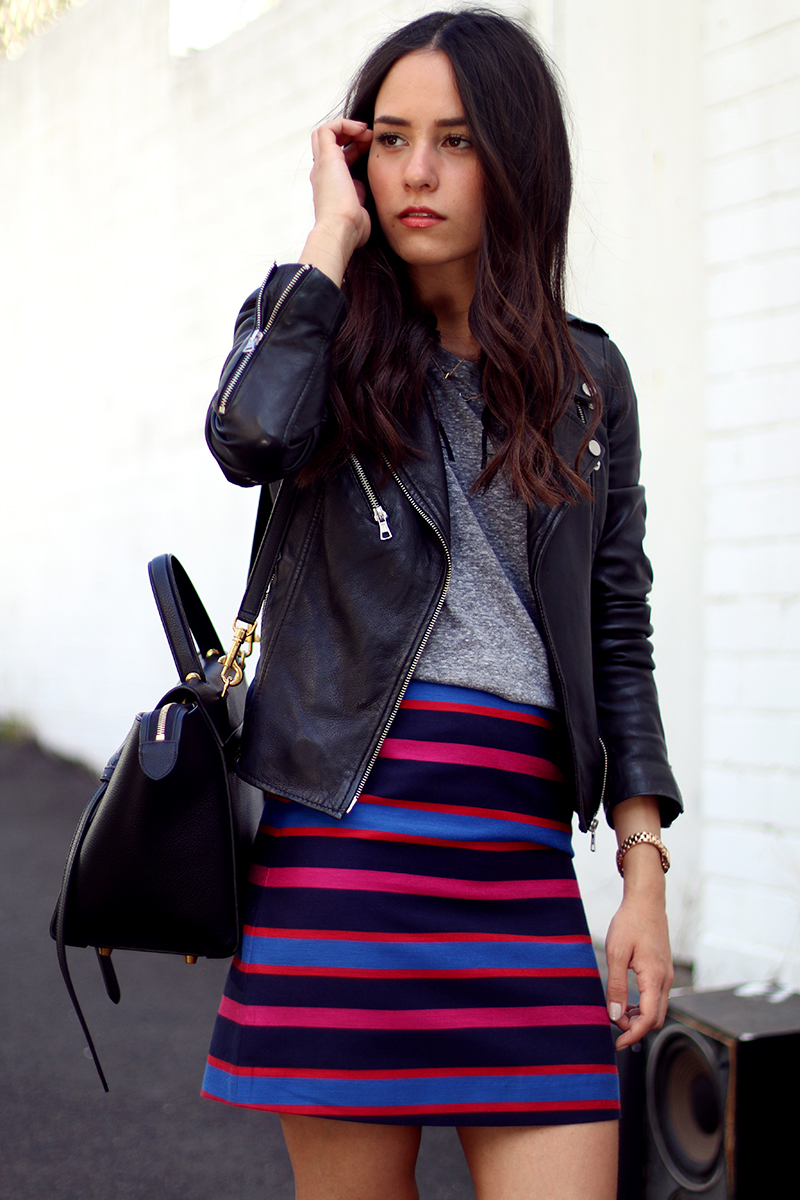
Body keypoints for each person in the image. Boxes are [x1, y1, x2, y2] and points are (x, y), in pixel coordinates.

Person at [202, 9, 682, 1198]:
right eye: (393, 138)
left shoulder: (585, 379)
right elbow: (248, 437)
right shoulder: (311, 333)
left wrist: (639, 871)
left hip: (516, 860)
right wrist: (327, 233)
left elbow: (616, 623)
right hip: (345, 855)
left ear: (514, 162)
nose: (416, 172)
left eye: (456, 141)